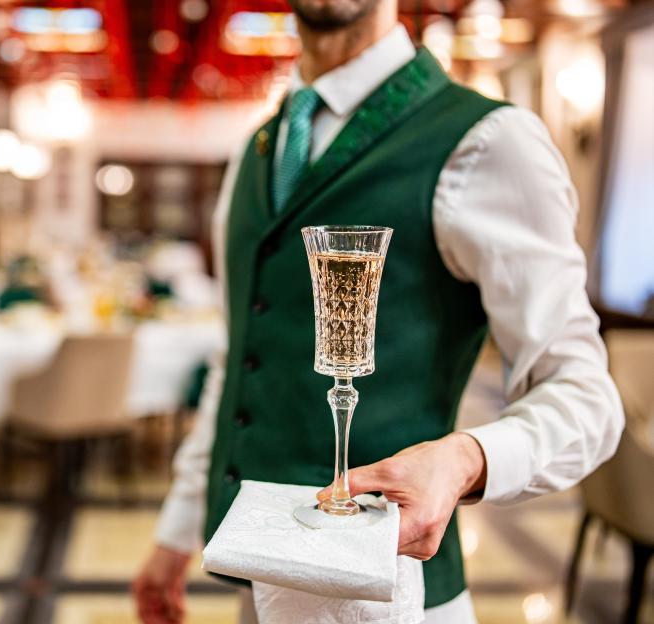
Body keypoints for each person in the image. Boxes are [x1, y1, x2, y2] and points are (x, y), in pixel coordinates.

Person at [132, 0, 625, 621]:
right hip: (261, 580)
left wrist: (467, 459)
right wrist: (177, 532)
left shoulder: (487, 140)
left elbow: (588, 398)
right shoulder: (256, 149)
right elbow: (241, 357)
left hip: (394, 600)